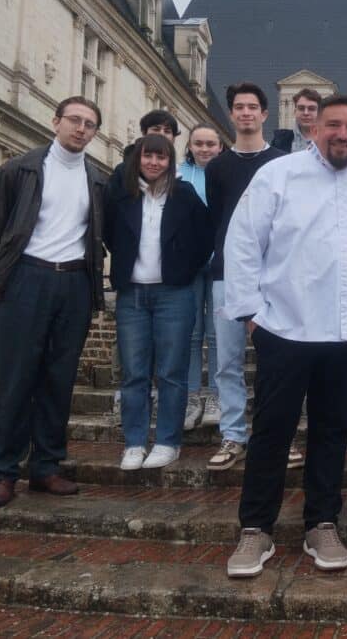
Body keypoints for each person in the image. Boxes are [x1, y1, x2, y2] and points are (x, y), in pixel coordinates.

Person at [222, 95, 347, 577]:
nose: (344, 134)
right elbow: (244, 239)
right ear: (313, 128)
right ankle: (256, 530)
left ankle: (322, 523)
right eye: (335, 124)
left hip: (345, 329)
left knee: (332, 433)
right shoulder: (278, 174)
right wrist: (250, 311)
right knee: (272, 431)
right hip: (285, 325)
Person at [0, 96, 106, 509]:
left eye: (89, 123)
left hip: (74, 284)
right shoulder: (20, 169)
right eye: (74, 119)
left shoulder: (96, 179)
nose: (80, 128)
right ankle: (2, 471)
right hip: (28, 278)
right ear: (55, 121)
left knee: (59, 378)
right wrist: (8, 272)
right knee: (16, 377)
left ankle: (46, 466)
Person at [104, 134, 213, 470]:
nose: (153, 163)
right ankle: (135, 442)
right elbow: (109, 233)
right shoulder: (122, 194)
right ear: (138, 158)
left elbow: (204, 236)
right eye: (147, 156)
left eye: (161, 157)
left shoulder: (184, 195)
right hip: (132, 293)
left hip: (173, 294)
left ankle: (167, 441)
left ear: (170, 161)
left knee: (171, 372)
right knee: (134, 372)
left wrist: (182, 268)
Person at [204, 82, 289, 471]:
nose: (246, 113)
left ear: (265, 114)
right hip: (226, 273)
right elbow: (220, 220)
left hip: (274, 273)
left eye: (253, 107)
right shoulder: (218, 166)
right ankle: (233, 434)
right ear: (233, 114)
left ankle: (277, 435)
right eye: (239, 107)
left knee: (278, 359)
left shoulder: (281, 162)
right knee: (227, 361)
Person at [178, 125, 223, 430]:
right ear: (190, 146)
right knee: (192, 333)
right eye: (199, 144)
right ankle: (192, 396)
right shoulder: (179, 174)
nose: (205, 149)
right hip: (190, 263)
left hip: (220, 263)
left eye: (210, 144)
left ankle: (218, 396)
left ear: (220, 147)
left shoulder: (225, 174)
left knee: (217, 333)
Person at [272, 88, 321, 153]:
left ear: (320, 113)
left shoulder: (329, 141)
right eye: (301, 108)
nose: (306, 113)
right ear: (295, 112)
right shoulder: (279, 142)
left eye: (311, 109)